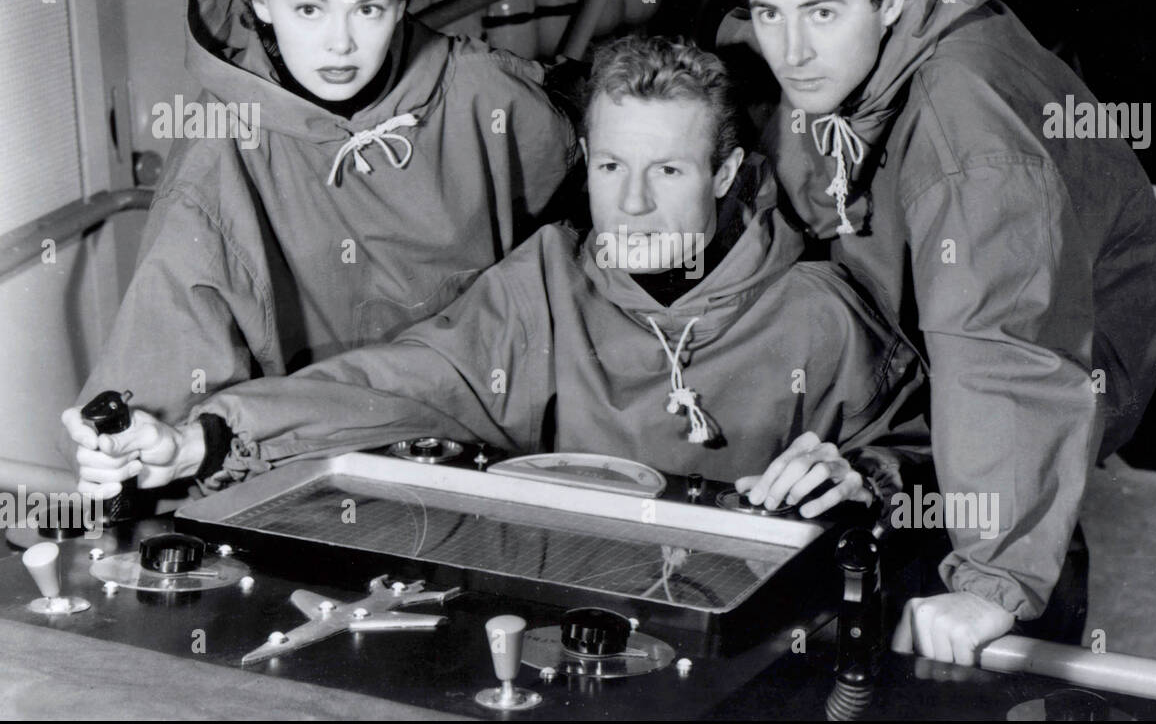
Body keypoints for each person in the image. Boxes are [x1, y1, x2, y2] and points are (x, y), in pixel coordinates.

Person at [64, 37, 923, 513]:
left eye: (668, 173)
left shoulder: (820, 316)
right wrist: (203, 436)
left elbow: (935, 456)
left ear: (728, 175)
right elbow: (391, 383)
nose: (631, 203)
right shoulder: (544, 289)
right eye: (612, 168)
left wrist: (868, 478)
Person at [720, 0, 1156, 664]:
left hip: (1064, 350)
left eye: (821, 13)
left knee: (987, 621)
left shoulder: (968, 136)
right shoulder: (889, 20)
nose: (791, 50)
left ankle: (1031, 587)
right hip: (962, 324)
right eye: (768, 13)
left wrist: (992, 582)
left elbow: (1008, 343)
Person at [64, 0, 575, 486]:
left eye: (369, 9)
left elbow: (578, 264)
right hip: (303, 474)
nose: (341, 44)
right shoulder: (221, 149)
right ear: (258, 1)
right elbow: (166, 373)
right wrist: (131, 448)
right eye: (308, 8)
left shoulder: (483, 93)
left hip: (485, 458)